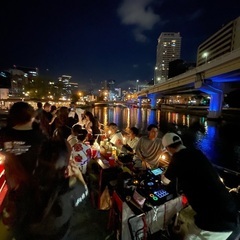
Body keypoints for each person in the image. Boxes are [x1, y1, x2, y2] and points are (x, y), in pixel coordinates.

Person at [2, 138, 88, 240]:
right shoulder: (71, 189)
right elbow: (84, 193)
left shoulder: (24, 188)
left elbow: (9, 221)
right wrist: (78, 176)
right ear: (66, 165)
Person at [161, 132, 239, 240]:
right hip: (230, 209)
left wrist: (162, 174)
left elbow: (165, 180)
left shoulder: (177, 158)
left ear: (168, 148)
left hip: (214, 220)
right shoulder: (197, 152)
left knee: (189, 237)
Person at [0, 102, 46, 175]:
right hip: (33, 178)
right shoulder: (40, 137)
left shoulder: (3, 133)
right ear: (32, 117)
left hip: (12, 178)